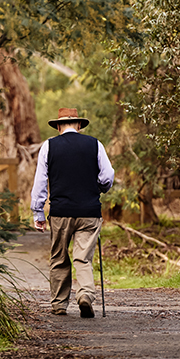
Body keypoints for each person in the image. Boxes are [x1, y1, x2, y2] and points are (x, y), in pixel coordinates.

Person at [30, 108, 115, 318]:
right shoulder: (95, 144)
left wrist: (38, 213)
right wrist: (100, 188)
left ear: (58, 127)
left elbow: (40, 181)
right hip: (89, 211)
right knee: (83, 258)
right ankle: (85, 294)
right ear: (78, 125)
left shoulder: (49, 146)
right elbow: (108, 176)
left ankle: (59, 304)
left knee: (59, 257)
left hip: (61, 212)